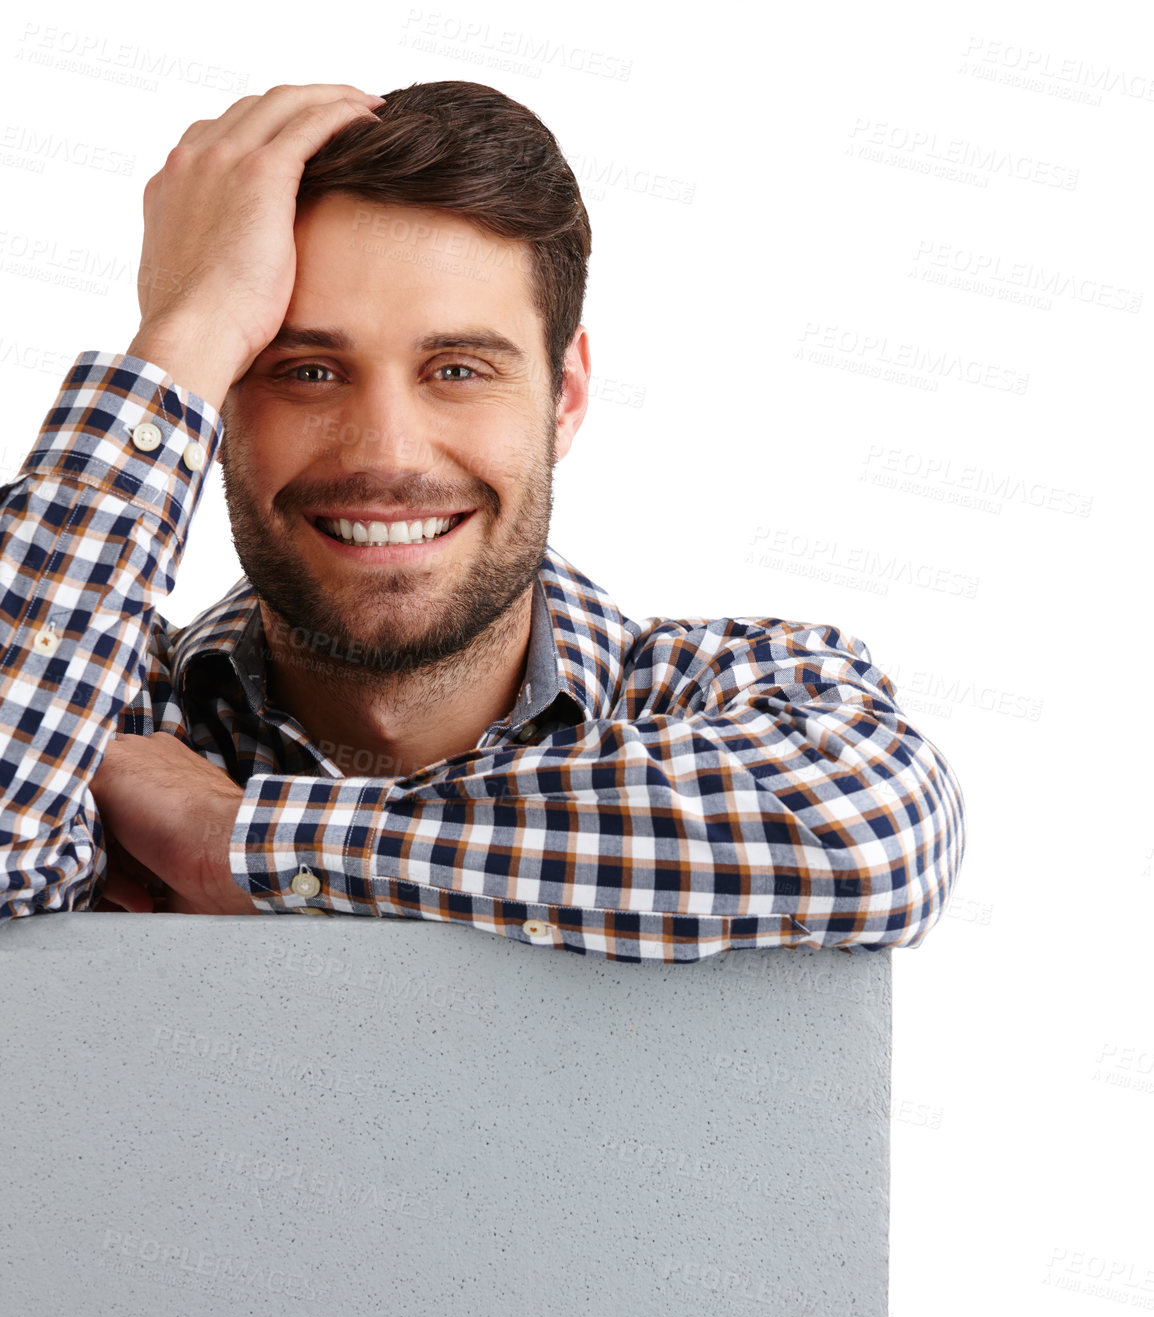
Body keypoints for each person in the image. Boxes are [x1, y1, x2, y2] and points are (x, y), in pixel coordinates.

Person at [0, 80, 964, 962]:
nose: (387, 452)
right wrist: (190, 326)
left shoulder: (714, 696)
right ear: (217, 407)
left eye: (458, 370)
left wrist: (235, 842)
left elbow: (874, 834)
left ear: (566, 396)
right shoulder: (106, 716)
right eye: (303, 370)